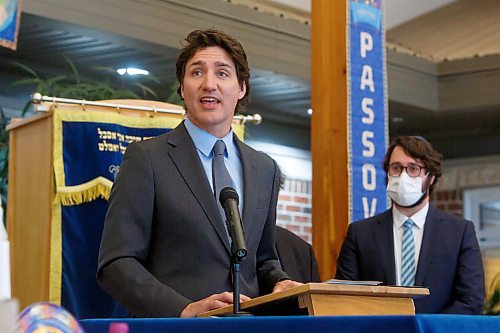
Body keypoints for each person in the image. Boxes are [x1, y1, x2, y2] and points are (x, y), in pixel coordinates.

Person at [97, 29, 300, 318]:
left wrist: (279, 281)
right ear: (182, 87)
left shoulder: (264, 169)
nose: (209, 84)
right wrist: (183, 309)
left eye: (222, 73)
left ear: (241, 87)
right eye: (196, 72)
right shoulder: (147, 159)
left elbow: (264, 259)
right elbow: (116, 263)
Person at [335, 136, 485, 314]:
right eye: (396, 168)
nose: (403, 176)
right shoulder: (361, 233)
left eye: (413, 169)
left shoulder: (459, 232)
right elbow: (343, 299)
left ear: (430, 177)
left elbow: (471, 299)